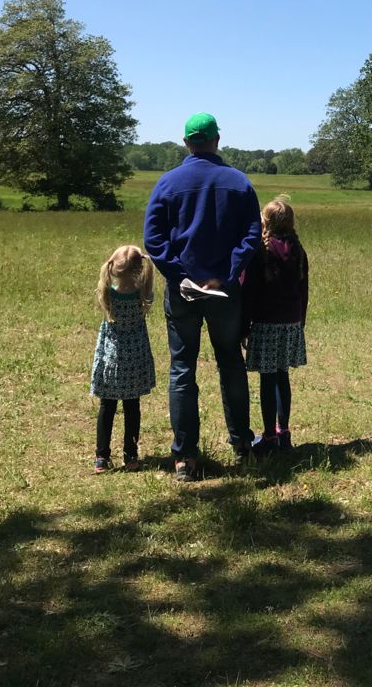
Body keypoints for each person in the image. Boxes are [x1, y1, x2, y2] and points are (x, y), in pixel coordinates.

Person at [144, 111, 261, 480]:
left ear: (185, 142)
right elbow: (252, 234)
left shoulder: (167, 183)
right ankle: (242, 444)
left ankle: (185, 458)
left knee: (182, 369)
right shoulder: (238, 182)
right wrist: (227, 274)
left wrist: (180, 275)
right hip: (225, 292)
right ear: (217, 140)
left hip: (183, 293)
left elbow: (154, 239)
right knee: (231, 363)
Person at [244, 195, 309, 454]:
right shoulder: (298, 249)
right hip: (291, 322)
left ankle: (269, 436)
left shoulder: (262, 251)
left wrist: (244, 323)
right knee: (283, 376)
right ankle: (284, 433)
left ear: (266, 222)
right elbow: (304, 290)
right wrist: (300, 320)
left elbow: (249, 291)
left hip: (266, 323)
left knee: (267, 380)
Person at [90, 244, 156, 473]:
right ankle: (131, 455)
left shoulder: (107, 291)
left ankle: (101, 456)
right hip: (135, 358)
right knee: (132, 407)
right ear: (139, 269)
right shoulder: (143, 292)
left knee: (106, 406)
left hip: (112, 356)